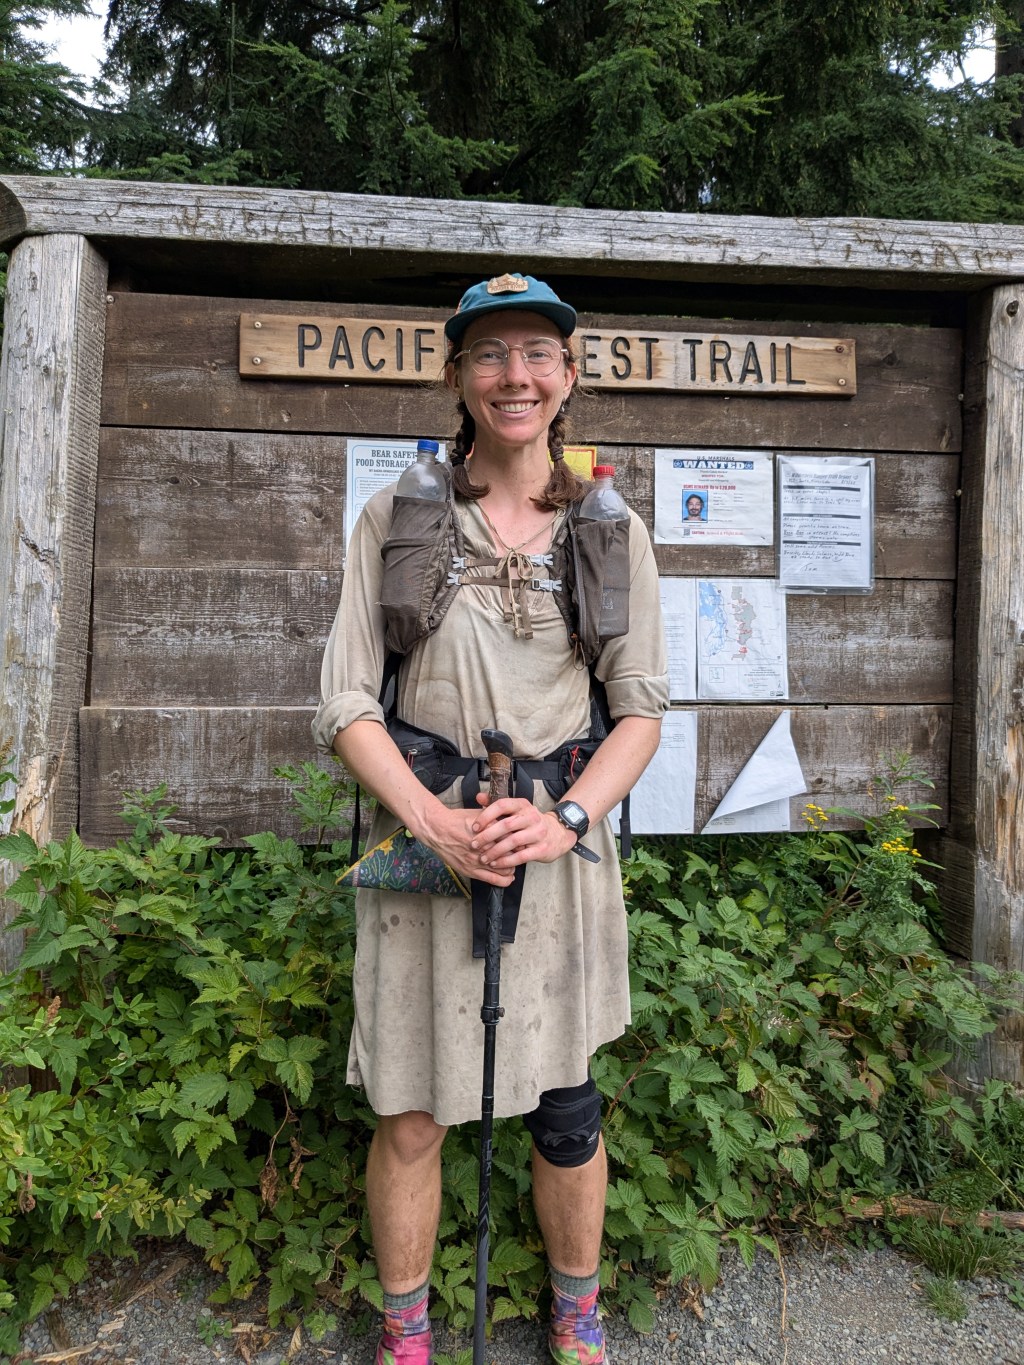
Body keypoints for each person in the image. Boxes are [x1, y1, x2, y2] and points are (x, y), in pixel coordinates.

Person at [313, 271, 668, 1364]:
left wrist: (563, 816)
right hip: (426, 843)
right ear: (459, 376)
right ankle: (409, 1333)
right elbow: (345, 702)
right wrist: (427, 818)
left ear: (568, 375)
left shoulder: (608, 526)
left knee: (568, 1109)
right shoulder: (401, 514)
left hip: (555, 854)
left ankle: (575, 1313)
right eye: (489, 355)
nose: (514, 376)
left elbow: (641, 711)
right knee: (414, 1114)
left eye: (535, 355)